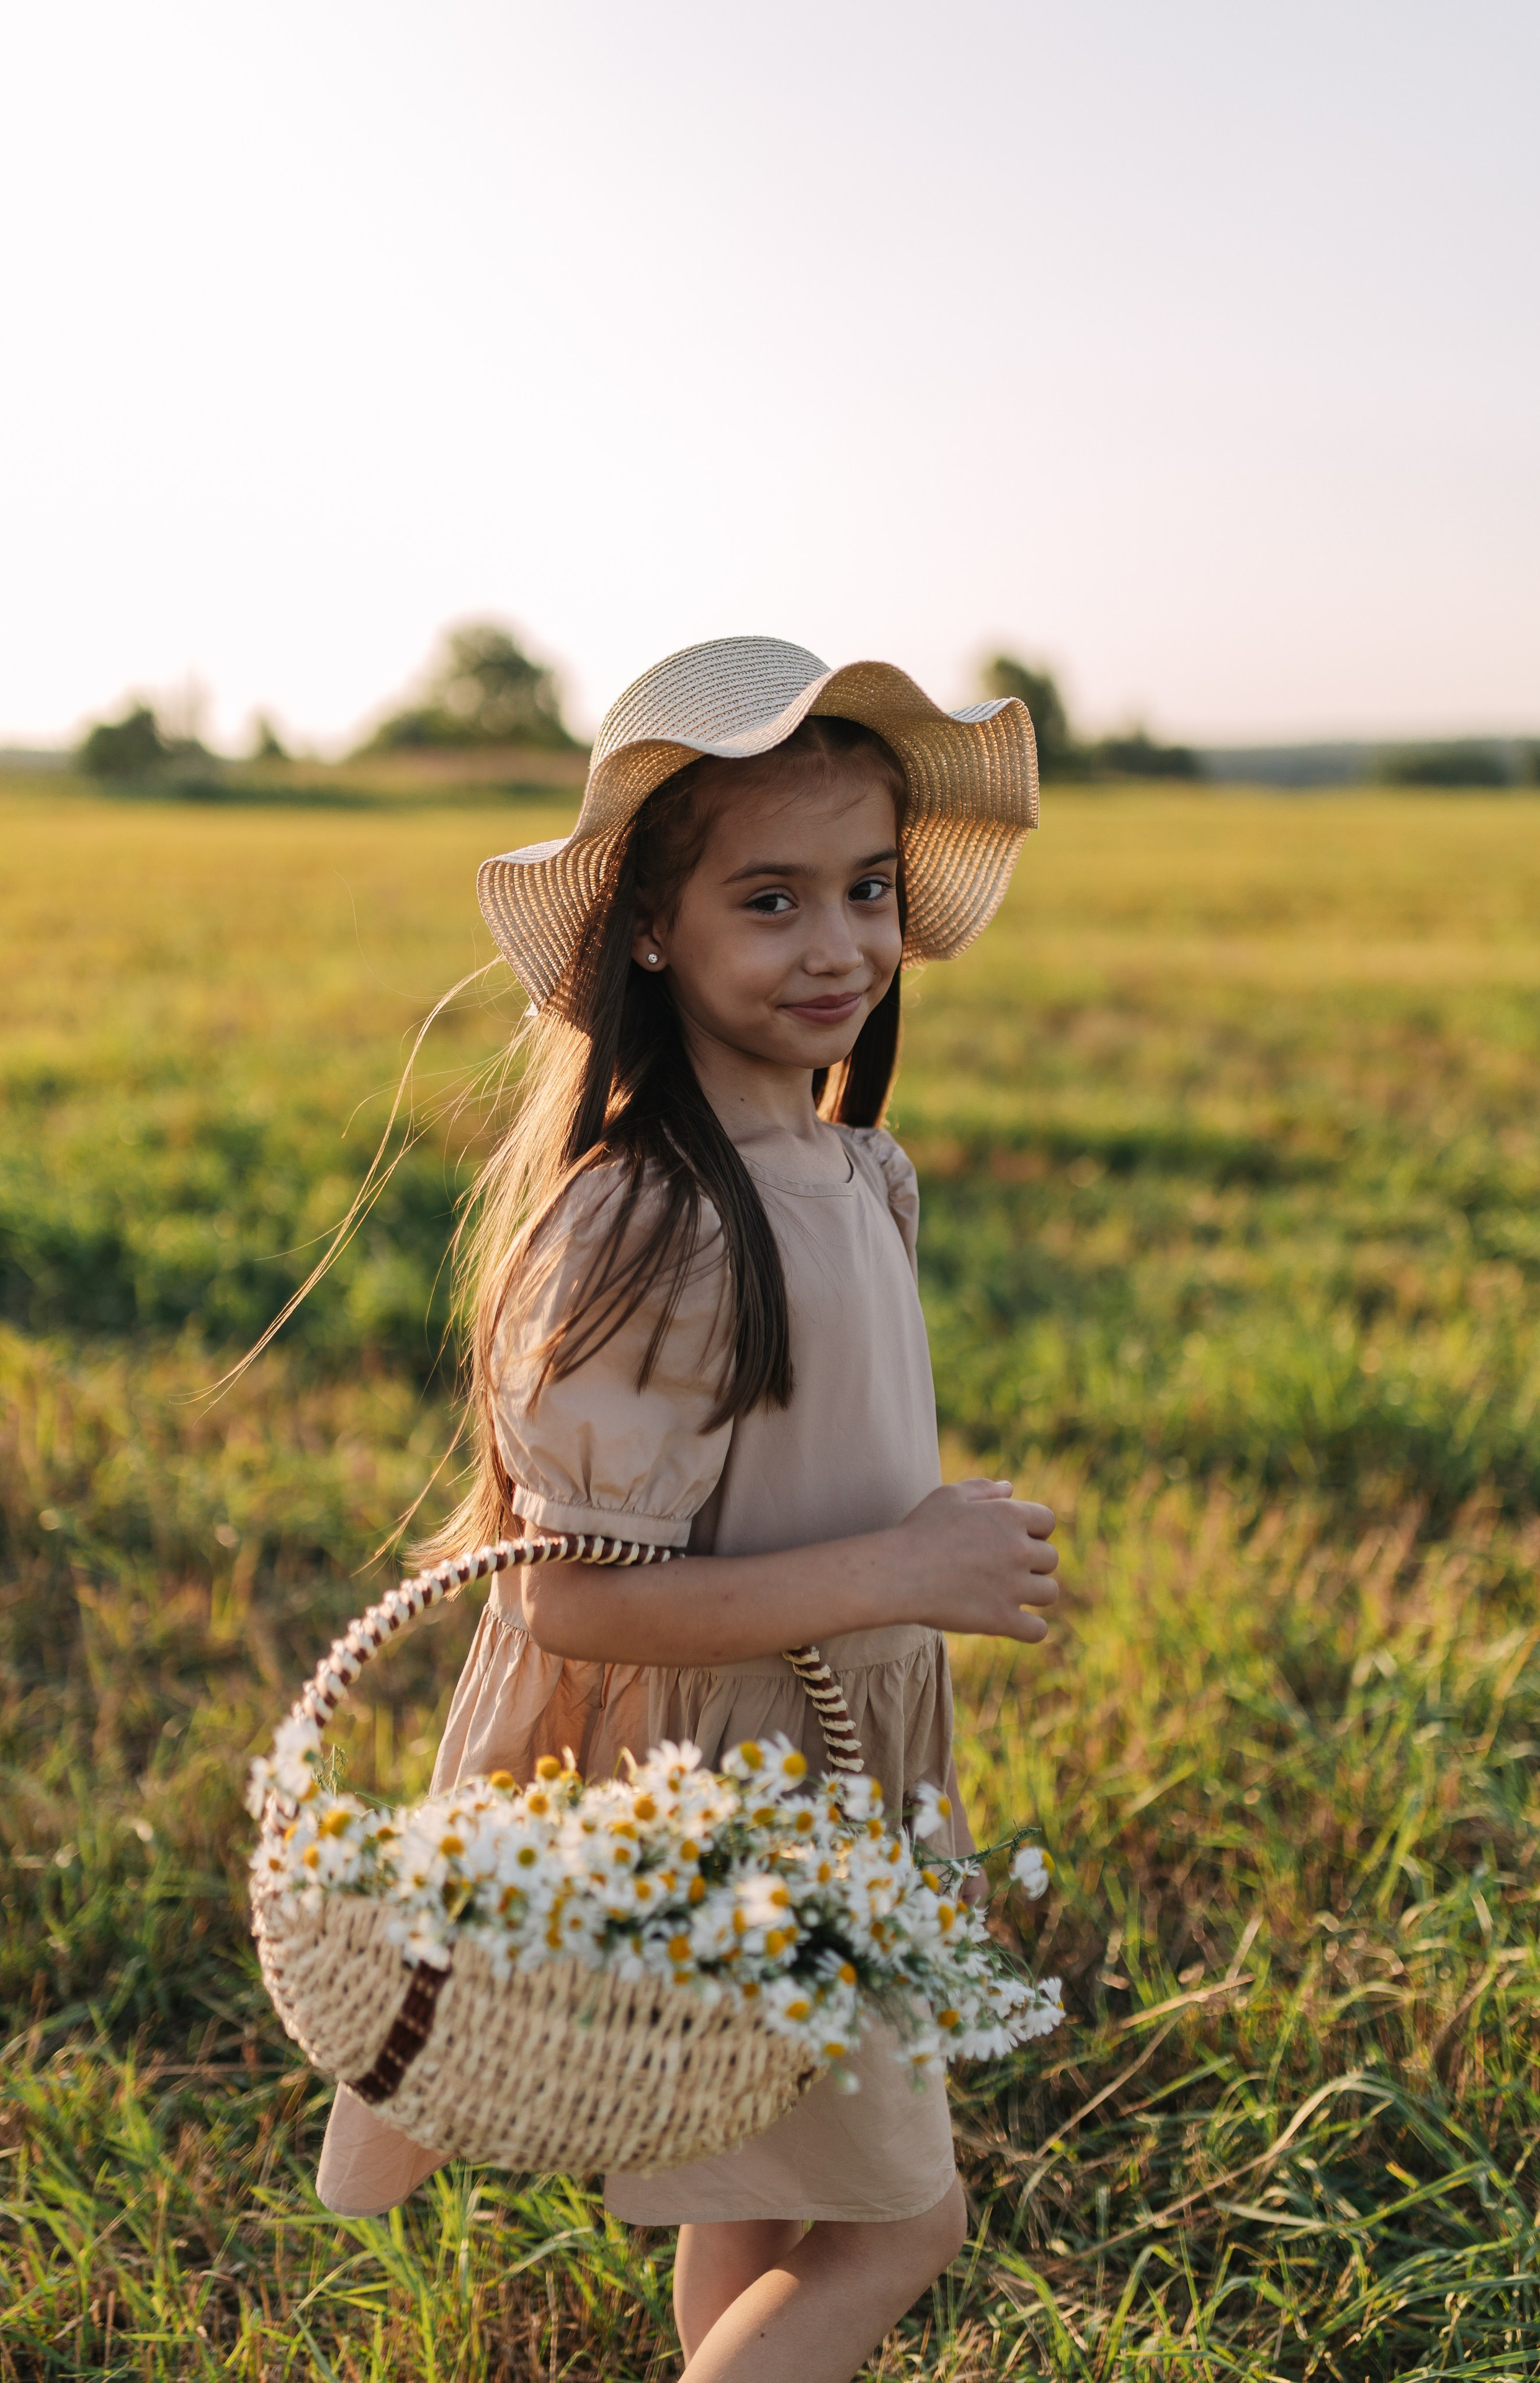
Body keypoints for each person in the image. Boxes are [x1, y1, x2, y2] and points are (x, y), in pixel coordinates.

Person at [315, 635, 1057, 2381]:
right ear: (654, 928)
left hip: (825, 1766)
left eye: (868, 890)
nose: (843, 946)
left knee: (760, 2204)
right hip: (738, 1798)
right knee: (899, 2224)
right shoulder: (648, 1220)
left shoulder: (855, 1167)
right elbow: (570, 1602)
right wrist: (907, 1562)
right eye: (773, 900)